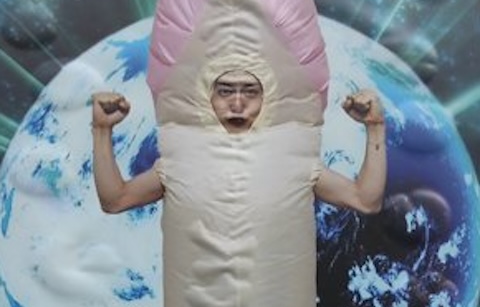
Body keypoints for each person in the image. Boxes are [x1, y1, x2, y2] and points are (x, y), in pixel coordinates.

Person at [91, 76, 386, 214]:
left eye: (250, 92)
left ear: (265, 102)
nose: (237, 103)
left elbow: (365, 200)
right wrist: (102, 130)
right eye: (225, 91)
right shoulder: (182, 165)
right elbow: (115, 200)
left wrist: (374, 126)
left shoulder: (292, 164)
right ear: (210, 101)